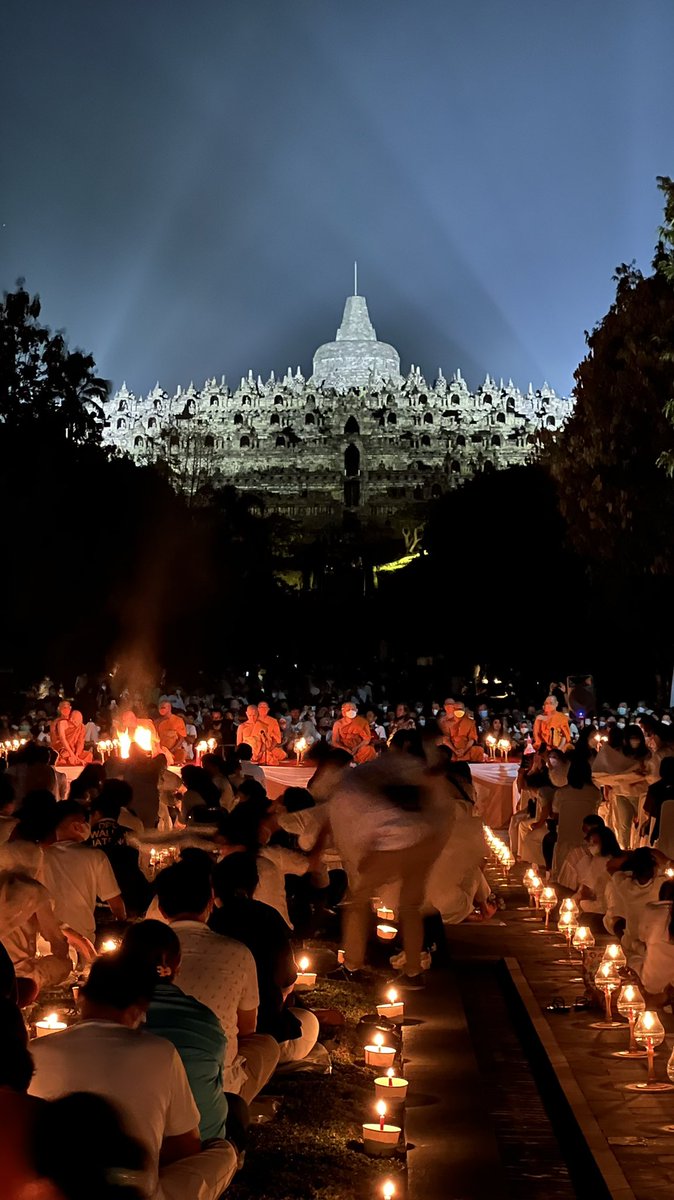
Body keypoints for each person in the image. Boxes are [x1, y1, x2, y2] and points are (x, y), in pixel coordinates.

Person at [28, 954, 237, 1200]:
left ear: (81, 996)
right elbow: (186, 1147)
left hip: (51, 1191)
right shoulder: (160, 1052)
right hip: (138, 1194)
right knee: (224, 1152)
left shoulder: (35, 1050)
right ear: (140, 1008)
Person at [155, 861, 280, 1103]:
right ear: (211, 900)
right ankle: (234, 1108)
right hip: (214, 1088)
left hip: (150, 1085)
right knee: (266, 1046)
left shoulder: (141, 955)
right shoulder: (237, 952)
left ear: (160, 908)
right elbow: (247, 1030)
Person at [121, 920, 248, 1155]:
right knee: (236, 1107)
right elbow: (214, 1083)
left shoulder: (109, 1019)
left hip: (124, 1151)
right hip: (199, 1154)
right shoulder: (205, 1021)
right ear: (177, 965)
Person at [330, 755, 442, 986]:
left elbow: (364, 830)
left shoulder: (358, 787)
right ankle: (413, 970)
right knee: (410, 907)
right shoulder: (408, 774)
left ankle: (352, 964)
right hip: (422, 841)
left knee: (356, 902)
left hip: (390, 845)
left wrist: (365, 861)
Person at [211, 852, 319, 1063]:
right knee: (309, 1022)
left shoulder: (209, 922)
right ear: (254, 886)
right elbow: (287, 981)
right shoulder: (268, 918)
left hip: (209, 1037)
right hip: (260, 1037)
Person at [43, 800, 126, 942]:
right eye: (84, 822)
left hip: (46, 939)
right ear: (76, 826)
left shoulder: (41, 856)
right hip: (83, 940)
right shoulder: (95, 857)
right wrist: (122, 925)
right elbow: (116, 903)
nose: (88, 826)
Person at [604, 847, 665, 961]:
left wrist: (630, 855)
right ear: (655, 868)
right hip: (652, 943)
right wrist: (665, 859)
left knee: (615, 920)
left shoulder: (625, 885)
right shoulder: (661, 884)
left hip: (631, 942)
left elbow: (610, 866)